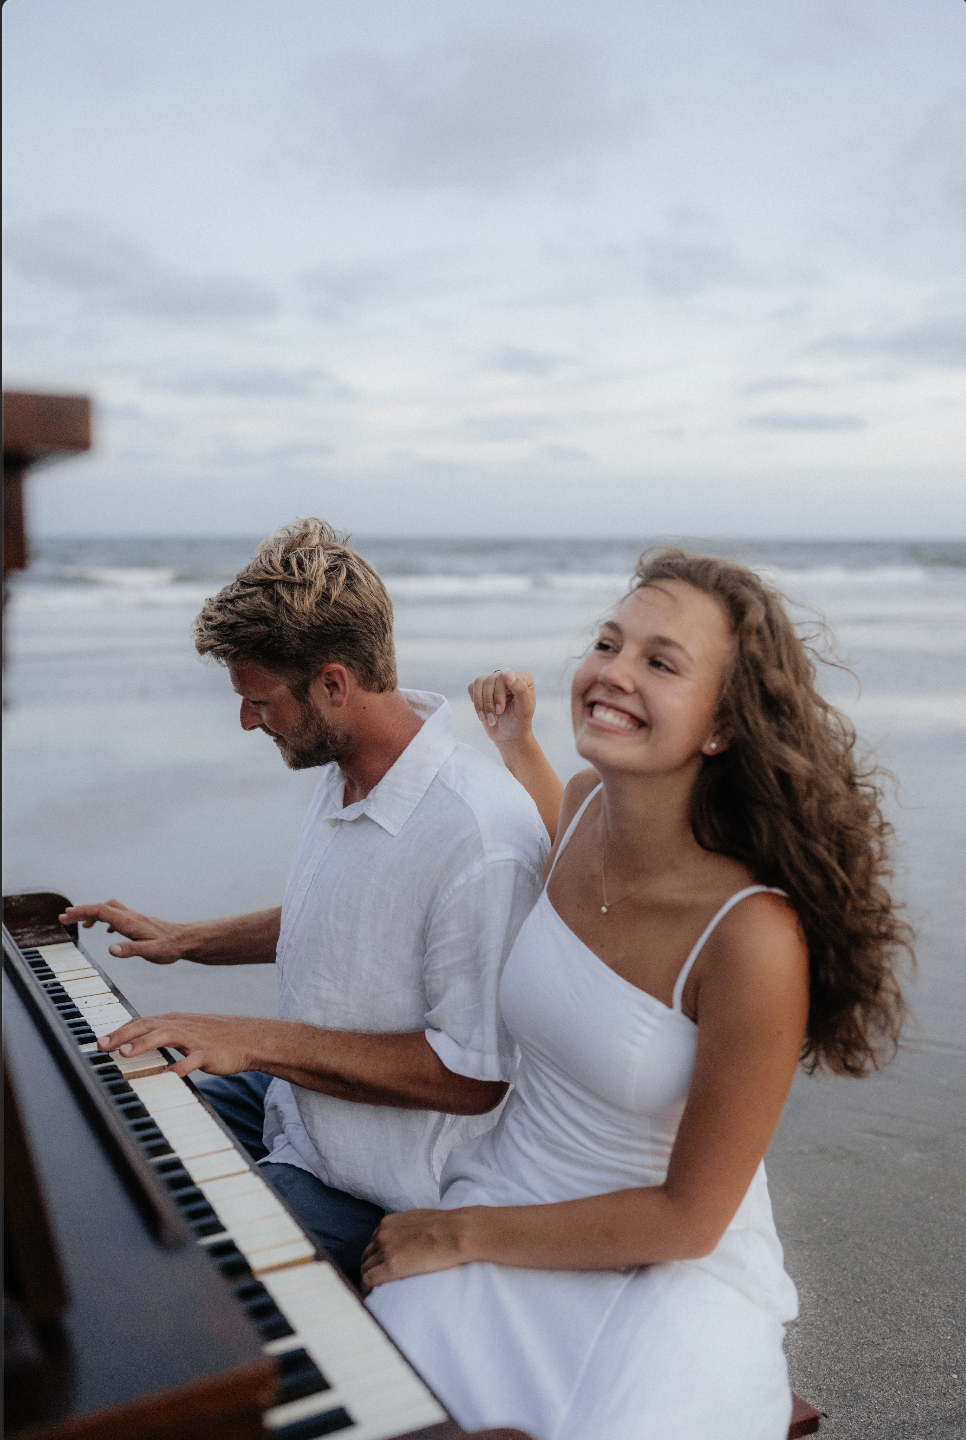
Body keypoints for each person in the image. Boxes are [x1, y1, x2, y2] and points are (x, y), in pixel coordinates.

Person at [363, 548, 912, 1440]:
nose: (613, 673)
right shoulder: (581, 807)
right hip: (509, 1193)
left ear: (722, 727)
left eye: (659, 662)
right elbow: (563, 832)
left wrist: (457, 1236)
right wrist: (518, 746)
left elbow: (692, 1219)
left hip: (666, 1262)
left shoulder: (752, 939)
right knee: (386, 1403)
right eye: (608, 643)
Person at [61, 519, 549, 1281]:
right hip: (295, 1106)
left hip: (380, 1185)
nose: (248, 720)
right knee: (96, 1121)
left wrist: (252, 1040)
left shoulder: (480, 837)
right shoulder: (345, 762)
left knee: (172, 1274)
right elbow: (358, 918)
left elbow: (474, 1076)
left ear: (332, 683)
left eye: (260, 701)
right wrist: (187, 938)